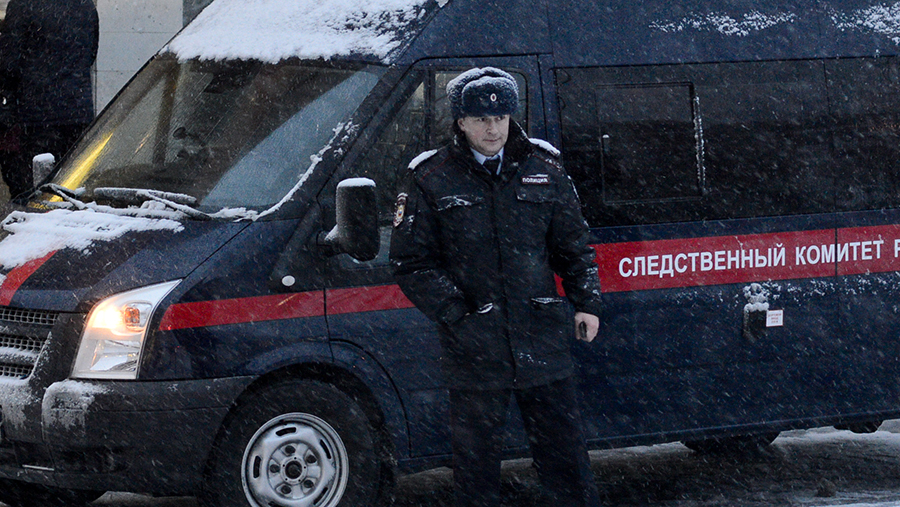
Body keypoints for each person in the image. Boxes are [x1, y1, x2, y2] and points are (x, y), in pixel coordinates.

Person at [390, 67, 603, 507]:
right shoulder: (430, 176)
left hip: (541, 336)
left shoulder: (544, 166)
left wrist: (586, 302)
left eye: (501, 117)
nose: (493, 129)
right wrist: (459, 314)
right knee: (476, 469)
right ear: (461, 122)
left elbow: (573, 245)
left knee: (565, 459)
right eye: (481, 119)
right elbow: (411, 263)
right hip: (474, 346)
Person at [0, 0, 98, 199]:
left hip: (34, 117)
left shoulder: (23, 5)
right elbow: (90, 55)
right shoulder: (85, 5)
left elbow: (9, 64)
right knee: (70, 189)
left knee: (29, 194)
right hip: (77, 113)